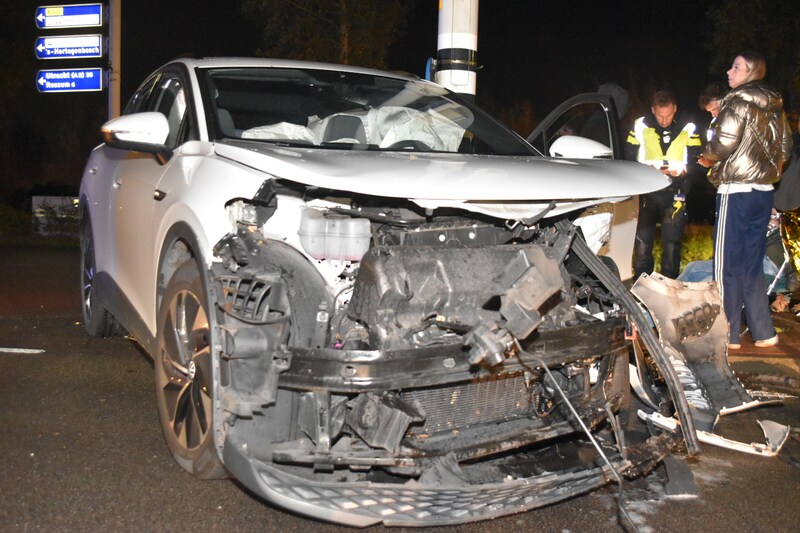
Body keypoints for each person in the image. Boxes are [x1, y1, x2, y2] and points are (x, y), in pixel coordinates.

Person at [698, 51, 794, 349]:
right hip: (763, 193)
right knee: (751, 265)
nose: (729, 71)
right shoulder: (775, 105)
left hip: (736, 191)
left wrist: (706, 157)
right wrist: (770, 170)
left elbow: (724, 142)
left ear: (751, 72)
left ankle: (725, 334)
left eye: (736, 67)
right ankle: (764, 332)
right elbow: (787, 147)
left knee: (726, 264)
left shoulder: (737, 101)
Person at [626, 90, 702, 280]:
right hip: (646, 192)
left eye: (668, 115)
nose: (664, 120)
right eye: (660, 115)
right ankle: (641, 289)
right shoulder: (640, 125)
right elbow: (627, 155)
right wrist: (648, 167)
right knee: (642, 245)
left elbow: (698, 157)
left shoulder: (689, 125)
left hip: (675, 192)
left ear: (675, 109)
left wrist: (684, 170)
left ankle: (669, 287)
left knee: (671, 246)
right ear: (653, 110)